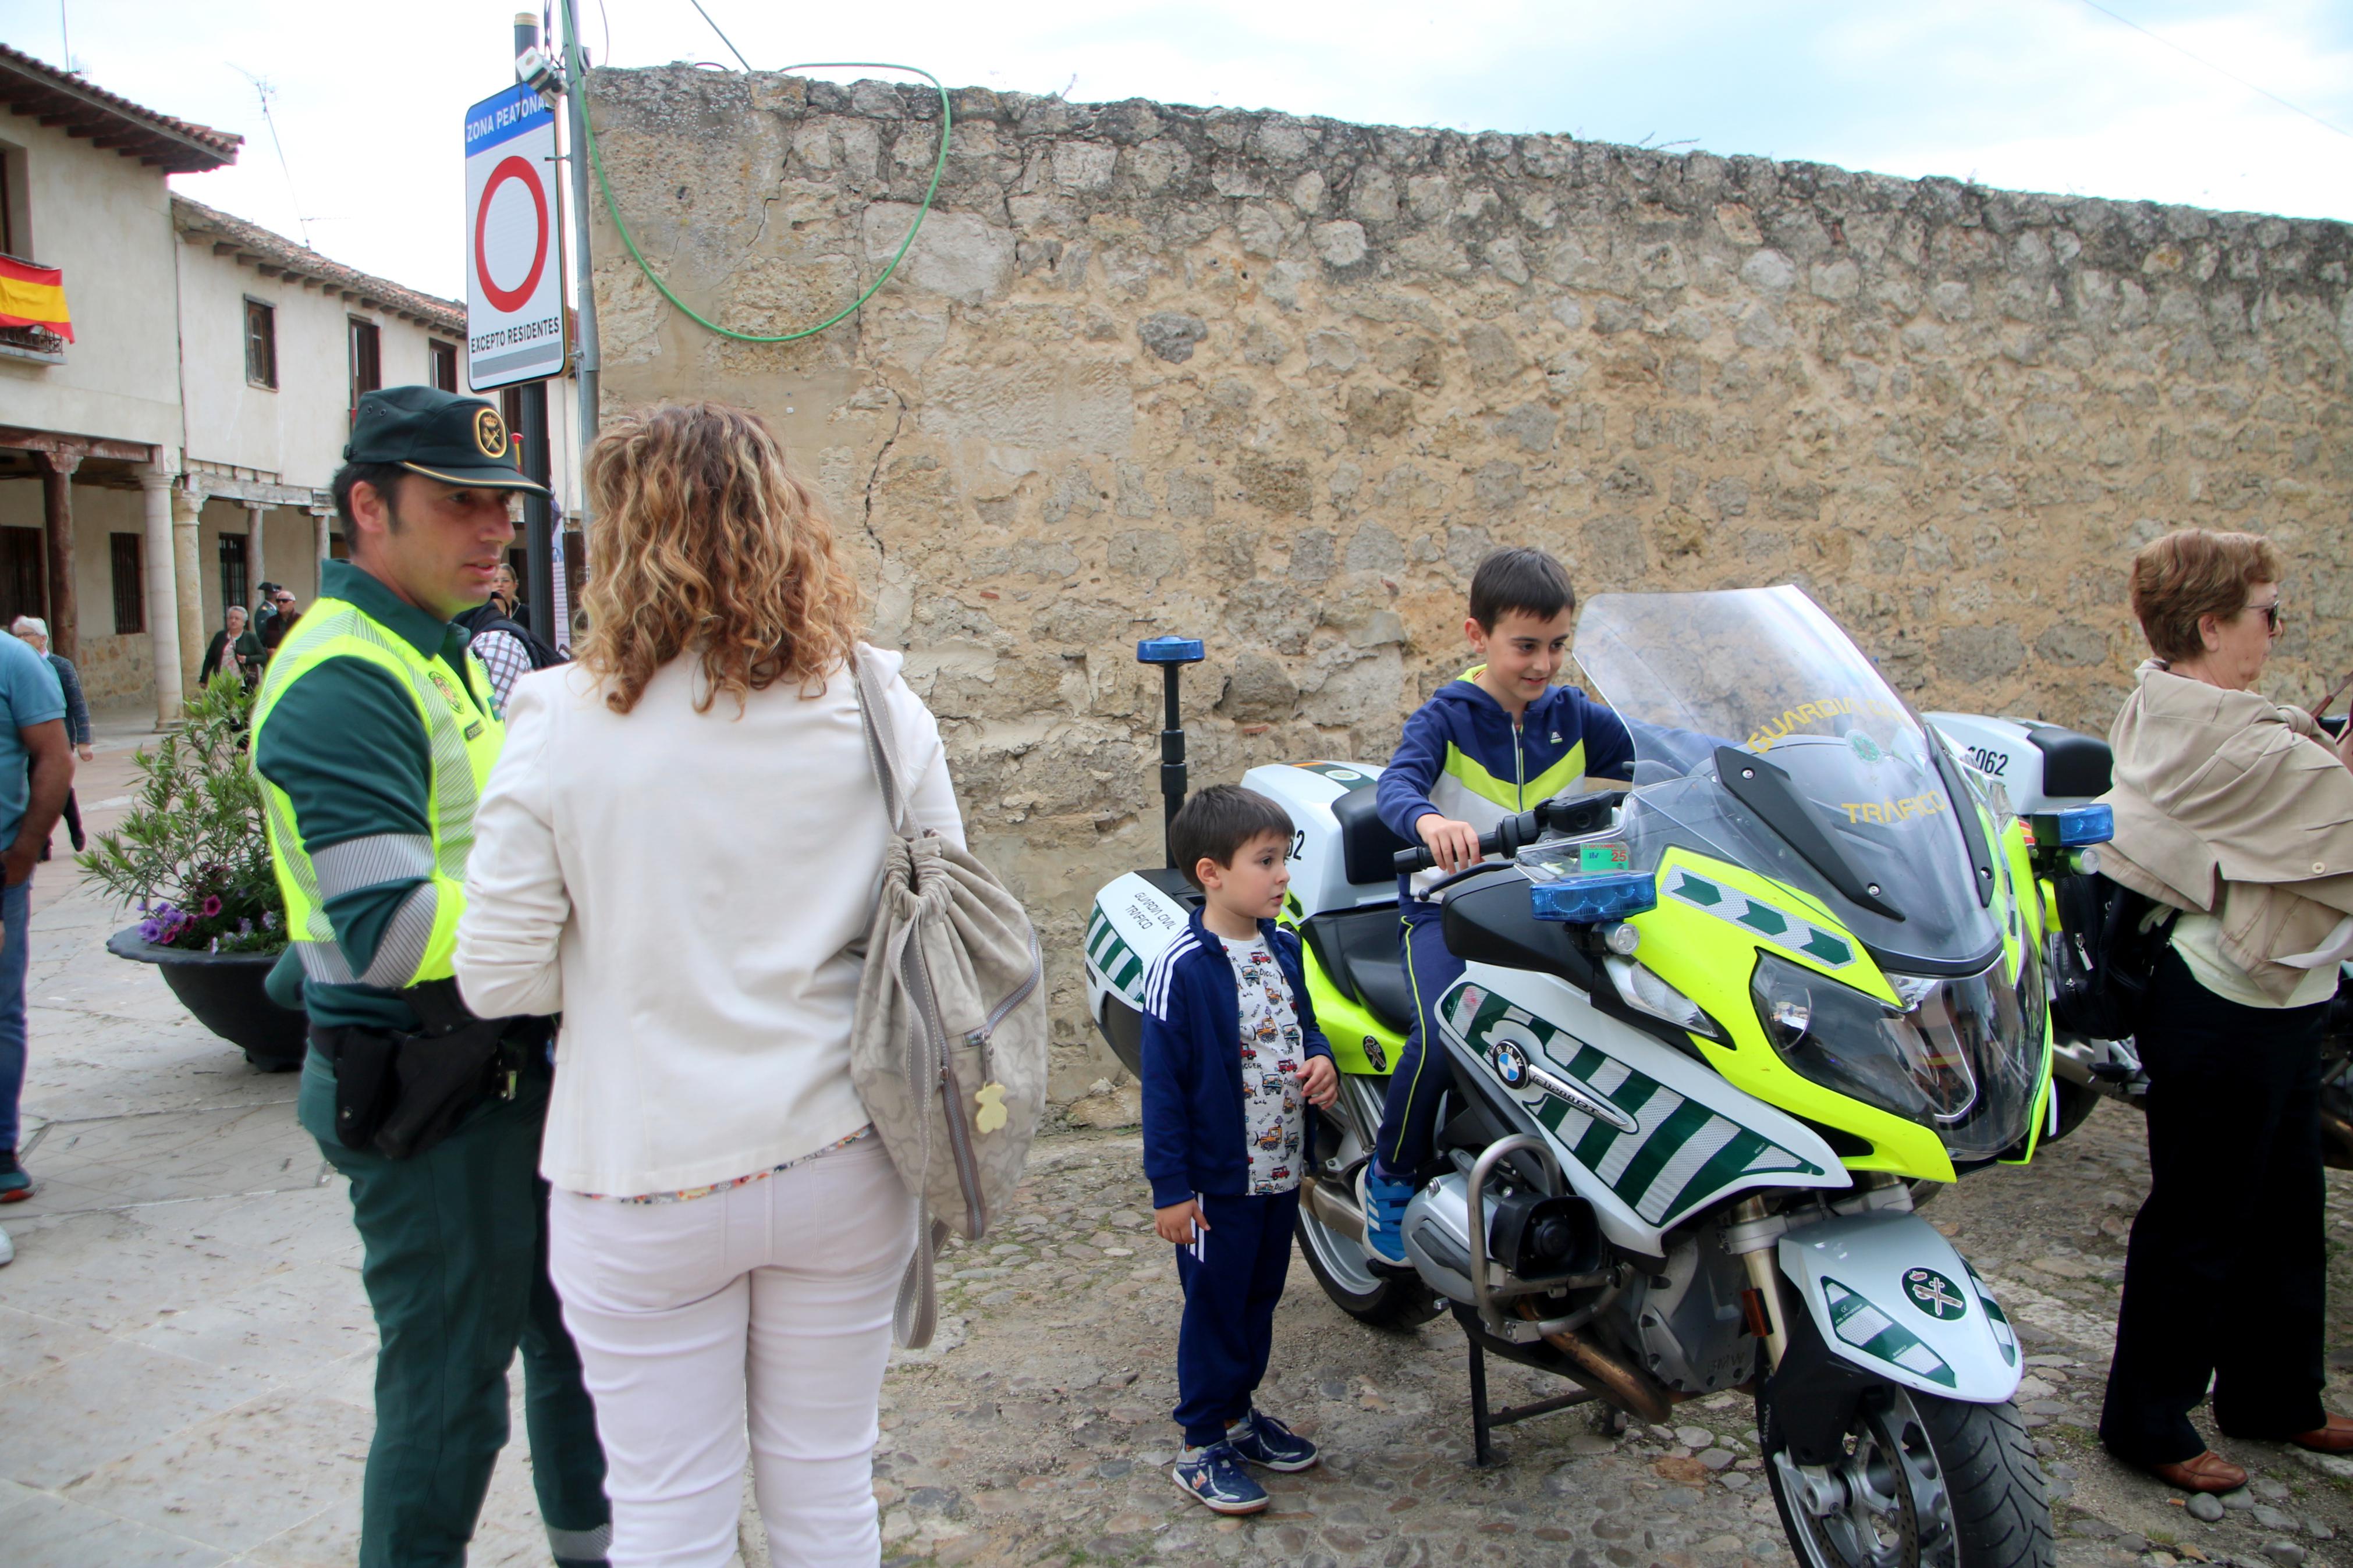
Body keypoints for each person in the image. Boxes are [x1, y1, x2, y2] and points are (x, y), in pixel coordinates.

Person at [453, 401, 955, 1567]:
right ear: (787, 524)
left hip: (642, 1170)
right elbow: (944, 901)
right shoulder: (874, 698)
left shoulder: (559, 718)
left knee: (669, 1515)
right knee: (827, 1492)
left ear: (622, 539)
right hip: (841, 1146)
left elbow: (496, 978)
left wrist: (617, 950)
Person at [252, 385, 610, 1567]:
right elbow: (390, 930)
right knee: (450, 1393)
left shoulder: (439, 647)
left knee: (573, 1346)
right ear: (368, 506)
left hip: (501, 1069)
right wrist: (595, 912)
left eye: (499, 507)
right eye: (457, 505)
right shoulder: (343, 677)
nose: (490, 531)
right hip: (424, 1088)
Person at [2093, 528, 2353, 1494]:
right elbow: (2339, 827)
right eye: (2265, 613)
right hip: (2220, 1002)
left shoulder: (2203, 708)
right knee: (2200, 1218)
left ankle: (2274, 1398)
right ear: (2210, 624)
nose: (2276, 631)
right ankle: (2147, 1421)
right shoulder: (2218, 735)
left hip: (2279, 992)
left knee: (2288, 1206)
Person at [1357, 547, 1635, 1259]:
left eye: (1556, 646)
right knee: (1445, 1029)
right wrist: (1429, 822)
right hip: (1451, 909)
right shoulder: (1444, 719)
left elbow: (1663, 747)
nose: (1543, 664)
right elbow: (1397, 786)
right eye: (1525, 646)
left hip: (1551, 905)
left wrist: (1761, 755)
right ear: (1477, 637)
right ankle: (1390, 1177)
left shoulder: (1574, 717)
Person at [1140, 783, 1338, 1515]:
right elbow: (1161, 1091)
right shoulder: (1183, 968)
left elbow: (1304, 1028)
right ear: (1210, 873)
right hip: (1216, 1185)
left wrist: (1321, 1064)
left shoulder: (1283, 949)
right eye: (1266, 860)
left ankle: (1237, 1416)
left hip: (1278, 1173)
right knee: (1214, 1306)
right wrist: (1170, 1190)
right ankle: (1198, 1443)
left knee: (1258, 1298)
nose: (1282, 874)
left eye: (1284, 858)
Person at [0, 621, 69, 1203]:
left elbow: (55, 758)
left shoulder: (14, 663)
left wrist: (25, 851)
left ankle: (1, 1152)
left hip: (0, 873)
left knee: (0, 1011)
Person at [10, 617, 90, 854]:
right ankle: (42, 843)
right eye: (18, 636)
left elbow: (78, 704)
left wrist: (85, 741)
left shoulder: (61, 666)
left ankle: (75, 827)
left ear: (42, 638)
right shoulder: (14, 668)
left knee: (59, 789)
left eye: (26, 635)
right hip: (26, 740)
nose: (21, 640)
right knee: (31, 790)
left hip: (58, 739)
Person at [457, 563, 564, 710]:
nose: (500, 585)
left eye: (505, 581)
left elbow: (493, 722)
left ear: (515, 585)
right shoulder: (478, 630)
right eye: (496, 581)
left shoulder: (496, 643)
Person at [198, 603, 264, 686]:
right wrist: (204, 679)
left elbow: (263, 657)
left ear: (244, 622)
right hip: (222, 681)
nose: (233, 621)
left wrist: (247, 659)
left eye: (237, 619)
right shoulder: (220, 636)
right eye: (231, 618)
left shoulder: (251, 637)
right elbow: (210, 659)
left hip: (243, 681)